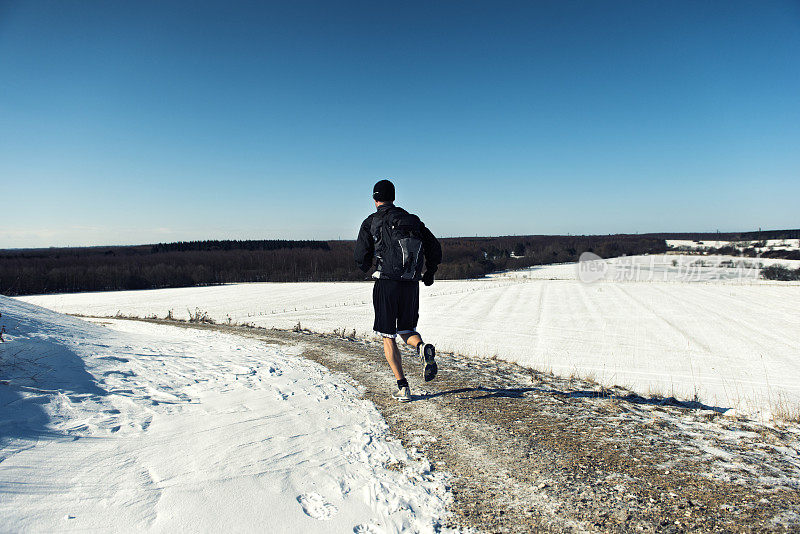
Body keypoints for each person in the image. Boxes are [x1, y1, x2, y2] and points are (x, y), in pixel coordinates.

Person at [354, 179, 442, 402]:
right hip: (410, 283)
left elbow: (360, 256)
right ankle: (421, 348)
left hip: (387, 283)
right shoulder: (412, 220)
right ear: (393, 197)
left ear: (375, 199)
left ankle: (403, 387)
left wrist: (368, 267)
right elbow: (434, 247)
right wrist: (429, 272)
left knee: (387, 336)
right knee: (406, 329)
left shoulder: (371, 221)